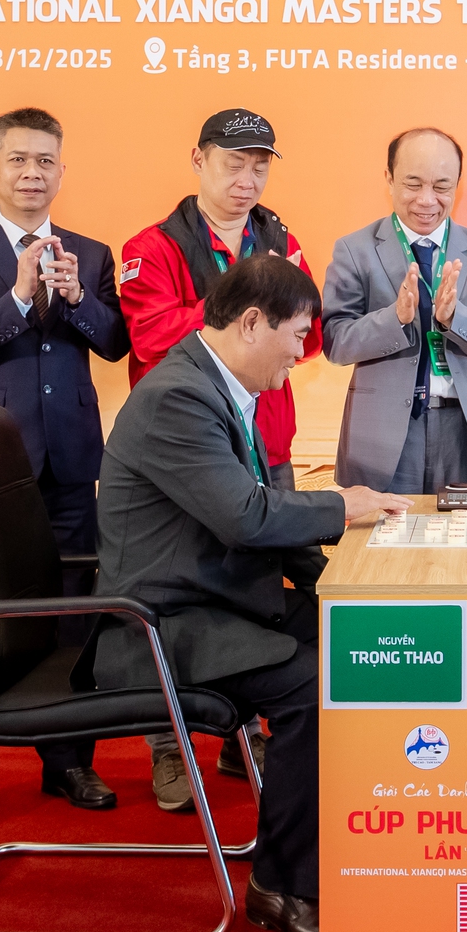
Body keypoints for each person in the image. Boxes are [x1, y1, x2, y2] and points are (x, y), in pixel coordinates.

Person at [94, 251, 412, 932]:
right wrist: (344, 507)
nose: (301, 352)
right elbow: (246, 517)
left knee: (363, 636)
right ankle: (284, 885)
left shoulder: (216, 386)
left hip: (217, 597)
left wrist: (338, 582)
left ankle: (345, 837)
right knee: (318, 687)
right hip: (162, 625)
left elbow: (257, 511)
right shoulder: (178, 397)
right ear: (250, 322)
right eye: (297, 335)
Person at [0, 105, 130, 827]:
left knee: (74, 613)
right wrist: (18, 296)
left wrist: (76, 299)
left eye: (45, 161)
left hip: (72, 460)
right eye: (18, 159)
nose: (32, 173)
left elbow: (115, 342)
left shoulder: (91, 254)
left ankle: (69, 761)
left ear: (61, 171)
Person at [117, 107, 320, 813]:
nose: (248, 179)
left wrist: (266, 310)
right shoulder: (154, 245)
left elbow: (307, 332)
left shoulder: (280, 237)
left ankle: (251, 736)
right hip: (188, 452)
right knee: (187, 580)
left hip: (267, 439)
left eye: (260, 166)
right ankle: (170, 746)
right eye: (234, 163)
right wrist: (240, 305)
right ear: (199, 159)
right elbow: (151, 336)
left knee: (260, 581)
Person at [322, 128, 467, 493]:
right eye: (413, 184)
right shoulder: (354, 250)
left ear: (458, 184)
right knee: (381, 530)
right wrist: (395, 319)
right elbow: (335, 341)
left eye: (442, 186)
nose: (427, 200)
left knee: (465, 531)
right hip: (382, 434)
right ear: (389, 178)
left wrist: (455, 318)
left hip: (464, 430)